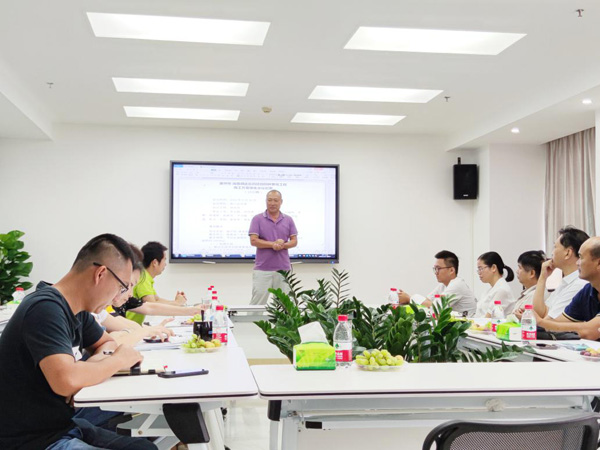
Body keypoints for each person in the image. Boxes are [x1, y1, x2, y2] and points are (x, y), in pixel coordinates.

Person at [0, 233, 156, 450]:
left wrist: (85, 369)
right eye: (122, 287)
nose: (118, 296)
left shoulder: (77, 310)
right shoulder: (45, 308)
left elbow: (106, 343)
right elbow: (66, 381)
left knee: (145, 447)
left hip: (61, 426)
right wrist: (118, 361)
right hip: (32, 441)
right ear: (100, 274)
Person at [536, 236, 600, 340]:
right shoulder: (588, 290)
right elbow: (555, 324)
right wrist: (541, 323)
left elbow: (590, 331)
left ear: (599, 263)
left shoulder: (579, 285)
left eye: (581, 257)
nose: (577, 263)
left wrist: (540, 322)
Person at [249, 190, 298, 305]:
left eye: (276, 200)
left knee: (285, 305)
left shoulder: (288, 219)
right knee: (257, 303)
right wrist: (273, 244)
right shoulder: (257, 219)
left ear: (281, 202)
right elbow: (253, 240)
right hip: (262, 269)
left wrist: (282, 245)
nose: (272, 203)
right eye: (269, 200)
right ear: (266, 201)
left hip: (283, 270)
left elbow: (294, 241)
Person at [532, 226, 589, 319]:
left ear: (568, 253)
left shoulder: (579, 284)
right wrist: (542, 277)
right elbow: (540, 313)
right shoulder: (565, 282)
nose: (552, 253)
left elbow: (548, 322)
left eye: (555, 247)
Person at [397, 250, 477, 317]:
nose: (436, 272)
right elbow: (428, 301)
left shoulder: (457, 285)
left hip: (467, 328)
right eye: (435, 269)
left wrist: (409, 298)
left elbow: (436, 308)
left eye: (438, 268)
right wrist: (408, 298)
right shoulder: (443, 285)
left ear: (451, 270)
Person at [127, 241, 188, 324]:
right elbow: (152, 304)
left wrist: (176, 302)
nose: (165, 264)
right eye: (164, 260)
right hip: (128, 326)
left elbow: (157, 300)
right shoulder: (143, 277)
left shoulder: (146, 277)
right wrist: (177, 303)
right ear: (155, 262)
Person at [475, 251, 516, 317]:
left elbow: (488, 317)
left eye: (481, 268)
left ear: (493, 268)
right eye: (478, 269)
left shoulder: (502, 290)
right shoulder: (490, 289)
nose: (479, 273)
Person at [513, 250, 549, 317]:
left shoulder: (536, 295)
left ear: (532, 273)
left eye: (520, 268)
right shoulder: (530, 293)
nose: (517, 271)